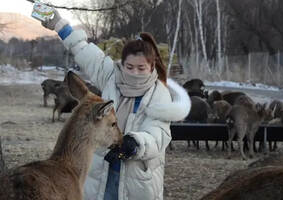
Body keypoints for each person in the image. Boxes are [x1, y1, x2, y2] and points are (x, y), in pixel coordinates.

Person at [39, 9, 191, 200]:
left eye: (141, 68)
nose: (134, 72)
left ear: (151, 66)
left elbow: (158, 134)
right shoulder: (112, 76)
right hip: (102, 170)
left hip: (136, 178)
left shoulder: (159, 94)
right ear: (122, 64)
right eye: (129, 67)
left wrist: (135, 143)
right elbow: (83, 50)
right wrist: (59, 25)